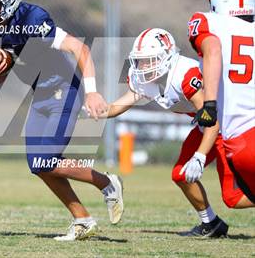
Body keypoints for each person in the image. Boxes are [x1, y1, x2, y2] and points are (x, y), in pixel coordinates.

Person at [0, 0, 124, 241]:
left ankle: (107, 182)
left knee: (45, 160)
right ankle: (83, 219)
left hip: (65, 89)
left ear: (9, 2)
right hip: (41, 93)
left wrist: (92, 93)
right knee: (38, 165)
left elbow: (81, 49)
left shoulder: (34, 20)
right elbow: (7, 53)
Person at [101, 28, 248, 237]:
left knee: (233, 197)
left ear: (167, 57)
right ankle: (211, 224)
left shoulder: (184, 75)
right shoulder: (142, 79)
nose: (144, 67)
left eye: (150, 60)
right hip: (206, 125)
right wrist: (94, 111)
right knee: (180, 174)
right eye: (141, 61)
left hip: (228, 123)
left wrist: (199, 156)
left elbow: (212, 120)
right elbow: (118, 106)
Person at [187, 0, 255, 205]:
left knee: (234, 196)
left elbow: (213, 48)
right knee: (233, 197)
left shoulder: (208, 22)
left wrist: (209, 104)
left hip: (243, 139)